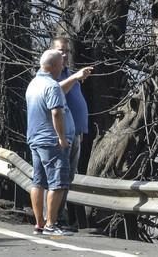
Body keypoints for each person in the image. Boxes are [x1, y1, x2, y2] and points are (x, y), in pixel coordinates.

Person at [26, 49, 75, 236]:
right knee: (58, 183)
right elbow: (56, 112)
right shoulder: (52, 86)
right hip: (51, 141)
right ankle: (51, 224)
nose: (63, 67)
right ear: (54, 66)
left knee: (38, 182)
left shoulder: (34, 83)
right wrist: (62, 138)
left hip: (35, 139)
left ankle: (39, 223)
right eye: (61, 64)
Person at [53, 37, 93, 232]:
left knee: (68, 177)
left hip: (76, 132)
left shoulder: (68, 73)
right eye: (61, 51)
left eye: (67, 51)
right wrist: (75, 78)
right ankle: (55, 219)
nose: (65, 55)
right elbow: (56, 92)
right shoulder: (54, 75)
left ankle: (61, 218)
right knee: (60, 177)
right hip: (63, 134)